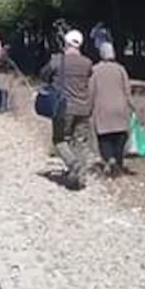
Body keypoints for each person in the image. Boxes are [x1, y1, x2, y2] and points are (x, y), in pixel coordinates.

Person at [39, 29, 94, 190]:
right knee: (81, 143)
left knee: (60, 140)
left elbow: (43, 75)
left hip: (63, 108)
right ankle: (79, 179)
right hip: (84, 108)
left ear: (66, 43)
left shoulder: (57, 61)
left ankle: (72, 164)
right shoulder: (87, 63)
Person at [89, 42, 134, 176]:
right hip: (120, 108)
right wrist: (132, 106)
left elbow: (91, 91)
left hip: (102, 109)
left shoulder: (95, 70)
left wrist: (89, 107)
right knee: (120, 136)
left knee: (104, 137)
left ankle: (109, 159)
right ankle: (118, 163)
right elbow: (127, 90)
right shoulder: (120, 69)